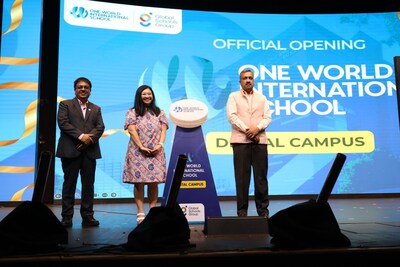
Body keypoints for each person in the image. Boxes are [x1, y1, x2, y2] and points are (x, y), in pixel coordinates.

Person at [56, 77, 105, 228]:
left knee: (88, 185)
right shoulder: (65, 105)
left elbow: (100, 127)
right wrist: (81, 136)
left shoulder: (96, 108)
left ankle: (88, 216)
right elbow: (63, 123)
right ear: (75, 89)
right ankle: (67, 217)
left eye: (86, 87)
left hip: (89, 152)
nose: (83, 89)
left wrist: (89, 139)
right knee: (69, 184)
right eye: (80, 87)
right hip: (70, 150)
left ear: (90, 90)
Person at [226, 69, 272, 218]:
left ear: (253, 80)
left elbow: (267, 117)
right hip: (241, 142)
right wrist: (247, 130)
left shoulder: (262, 98)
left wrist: (256, 128)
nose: (248, 80)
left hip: (260, 142)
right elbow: (232, 117)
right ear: (240, 81)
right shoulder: (233, 96)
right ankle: (242, 212)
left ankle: (263, 211)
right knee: (241, 178)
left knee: (261, 178)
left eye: (250, 78)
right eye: (245, 78)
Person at [122, 84, 169, 224]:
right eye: (144, 94)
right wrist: (141, 146)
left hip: (156, 151)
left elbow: (164, 130)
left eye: (149, 94)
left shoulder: (160, 112)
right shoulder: (132, 112)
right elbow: (131, 130)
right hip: (137, 151)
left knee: (154, 183)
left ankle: (153, 211)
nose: (147, 96)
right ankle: (140, 211)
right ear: (139, 96)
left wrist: (159, 145)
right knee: (139, 183)